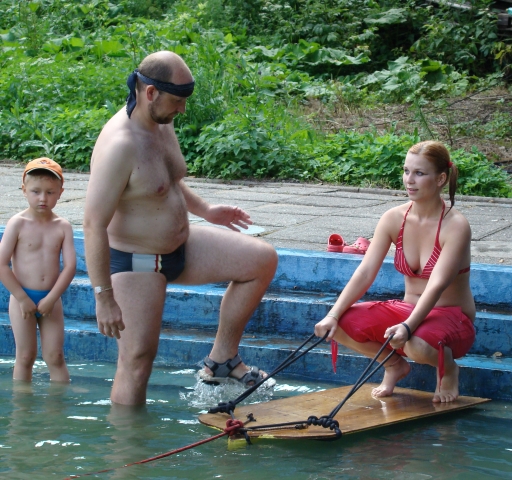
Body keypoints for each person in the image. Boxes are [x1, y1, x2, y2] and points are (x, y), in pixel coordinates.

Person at [84, 51, 278, 406]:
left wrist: (206, 210)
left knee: (261, 260)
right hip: (138, 261)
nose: (183, 109)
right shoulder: (120, 145)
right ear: (151, 92)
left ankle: (221, 360)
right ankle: (127, 441)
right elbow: (93, 223)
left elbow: (165, 181)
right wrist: (103, 297)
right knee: (137, 363)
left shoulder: (161, 121)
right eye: (178, 101)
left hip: (181, 245)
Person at [314, 141, 475, 403]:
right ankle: (394, 366)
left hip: (451, 318)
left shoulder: (456, 226)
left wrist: (408, 327)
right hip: (407, 309)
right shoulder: (393, 218)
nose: (409, 180)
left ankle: (448, 370)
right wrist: (332, 314)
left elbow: (437, 284)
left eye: (419, 173)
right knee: (339, 323)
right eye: (406, 171)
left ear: (440, 179)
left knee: (415, 344)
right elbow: (366, 272)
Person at [0, 158, 75, 383]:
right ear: (24, 190)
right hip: (22, 298)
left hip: (51, 299)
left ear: (60, 193)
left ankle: (58, 403)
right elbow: (2, 264)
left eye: (50, 192)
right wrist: (22, 298)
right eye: (36, 191)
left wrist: (52, 298)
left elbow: (70, 266)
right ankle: (22, 404)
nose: (43, 198)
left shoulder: (63, 226)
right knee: (25, 356)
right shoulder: (17, 223)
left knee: (56, 356)